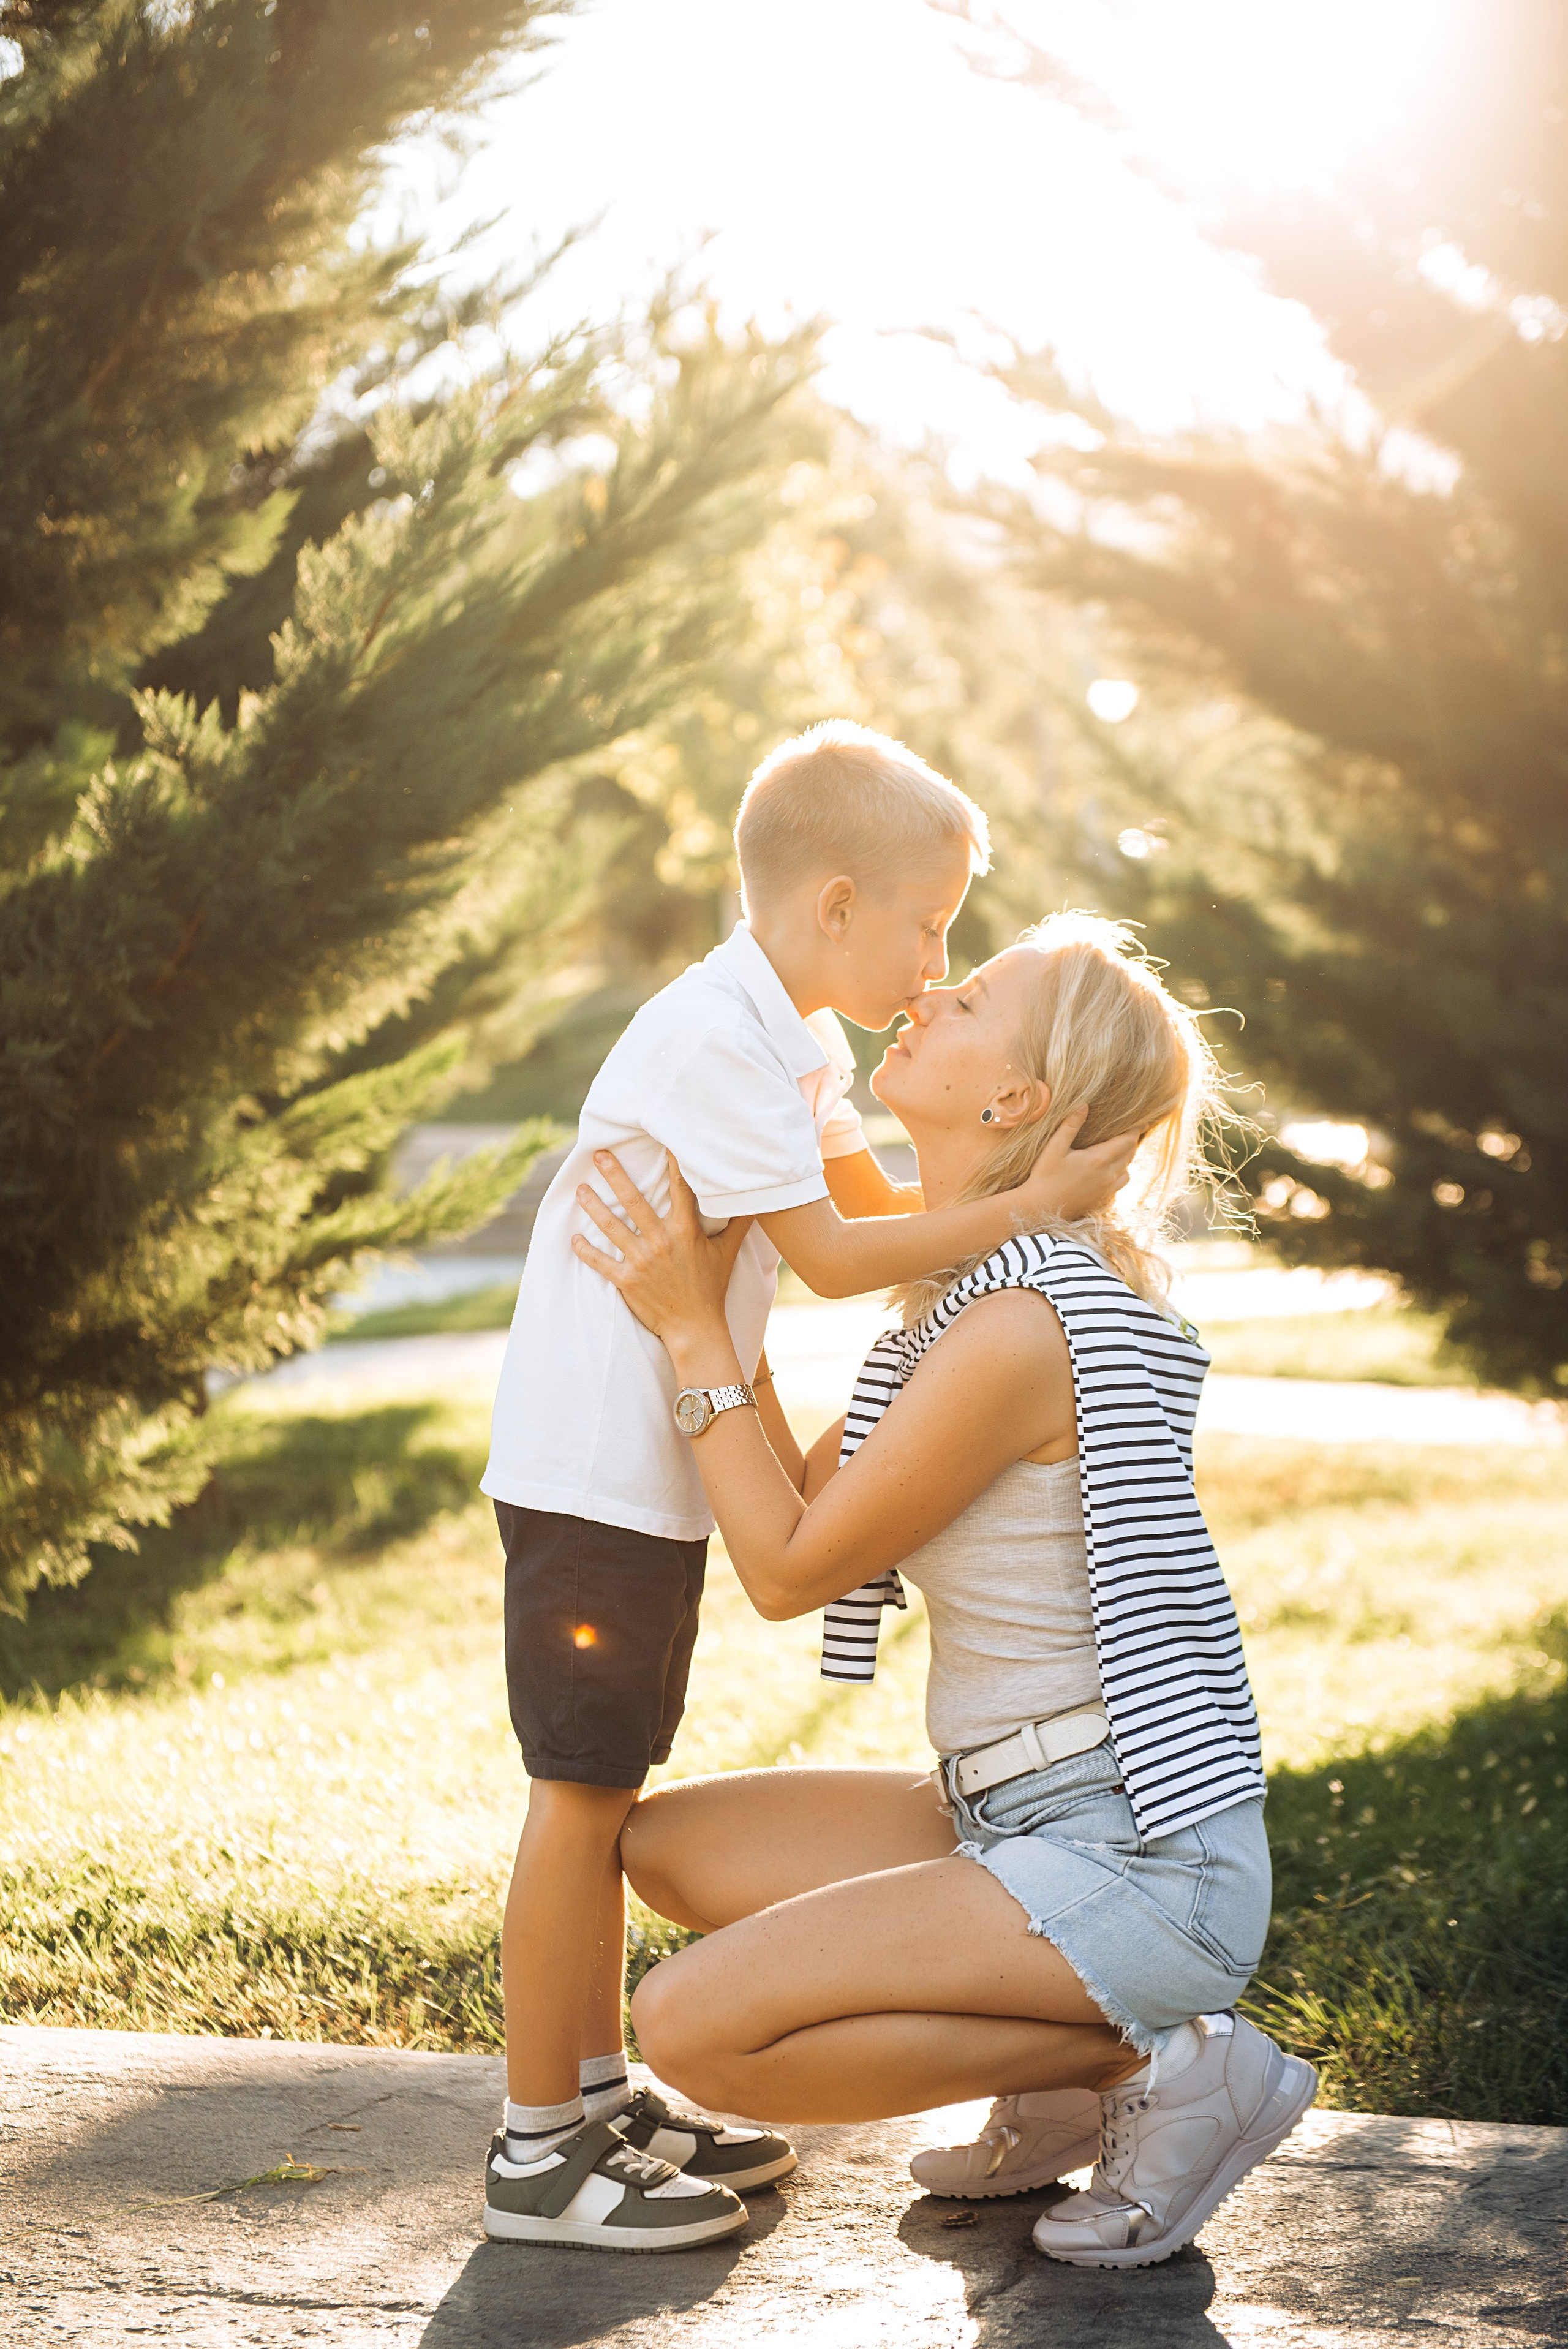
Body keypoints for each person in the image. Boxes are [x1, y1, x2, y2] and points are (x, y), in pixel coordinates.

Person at [571, 911, 1319, 2271]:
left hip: (1130, 1852)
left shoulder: (1018, 1326)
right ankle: (1054, 2089)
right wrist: (728, 1312)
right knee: (665, 1850)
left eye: (967, 996)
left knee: (691, 2031)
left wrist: (688, 1328)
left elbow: (792, 1575)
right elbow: (800, 1524)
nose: (926, 988)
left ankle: (1162, 2063)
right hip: (1002, 1806)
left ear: (1015, 1098)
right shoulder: (953, 1299)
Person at [478, 728, 1137, 2252]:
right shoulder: (713, 1037)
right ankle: (534, 2149)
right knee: (575, 1803)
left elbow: (862, 1203)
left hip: (646, 1481)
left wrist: (1007, 1195)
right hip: (593, 1472)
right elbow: (841, 1260)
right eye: (929, 923)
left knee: (608, 1786)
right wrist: (1031, 1203)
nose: (938, 957)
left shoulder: (795, 1042)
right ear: (835, 905)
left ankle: (590, 2095)